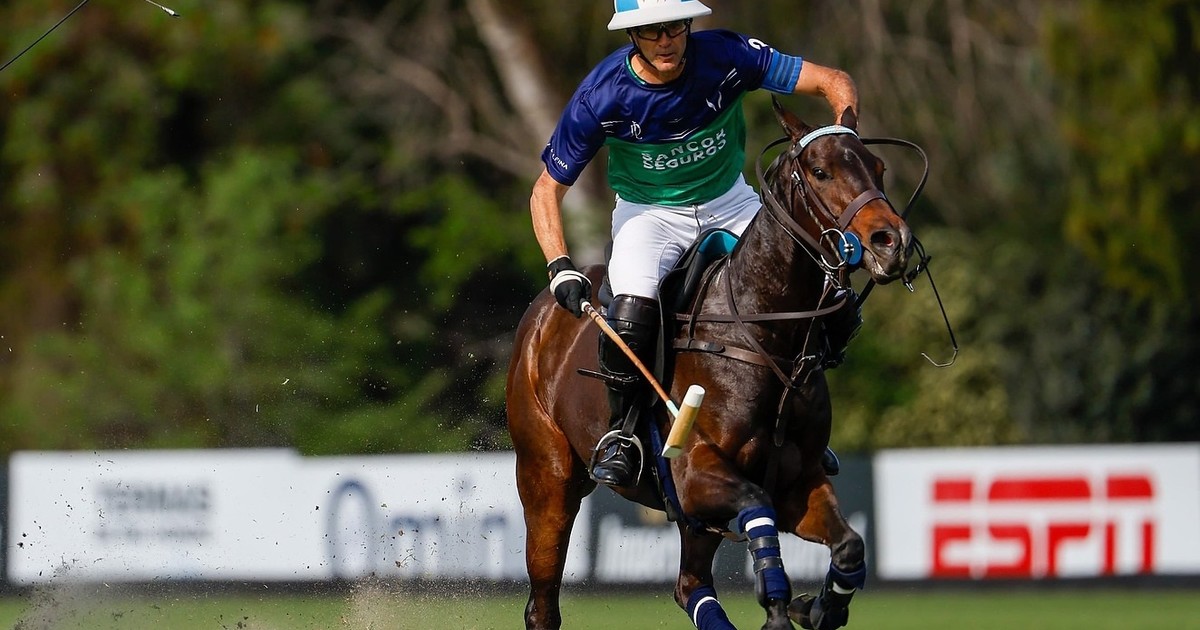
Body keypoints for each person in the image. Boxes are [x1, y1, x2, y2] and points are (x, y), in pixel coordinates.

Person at [532, 0, 860, 488]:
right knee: (631, 313)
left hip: (730, 201)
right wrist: (559, 265)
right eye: (651, 31)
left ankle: (798, 419)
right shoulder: (601, 96)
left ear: (689, 25)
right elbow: (546, 191)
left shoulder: (728, 55)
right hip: (650, 214)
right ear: (632, 36)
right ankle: (623, 433)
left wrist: (843, 138)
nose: (665, 41)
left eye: (674, 27)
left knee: (831, 296)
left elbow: (833, 81)